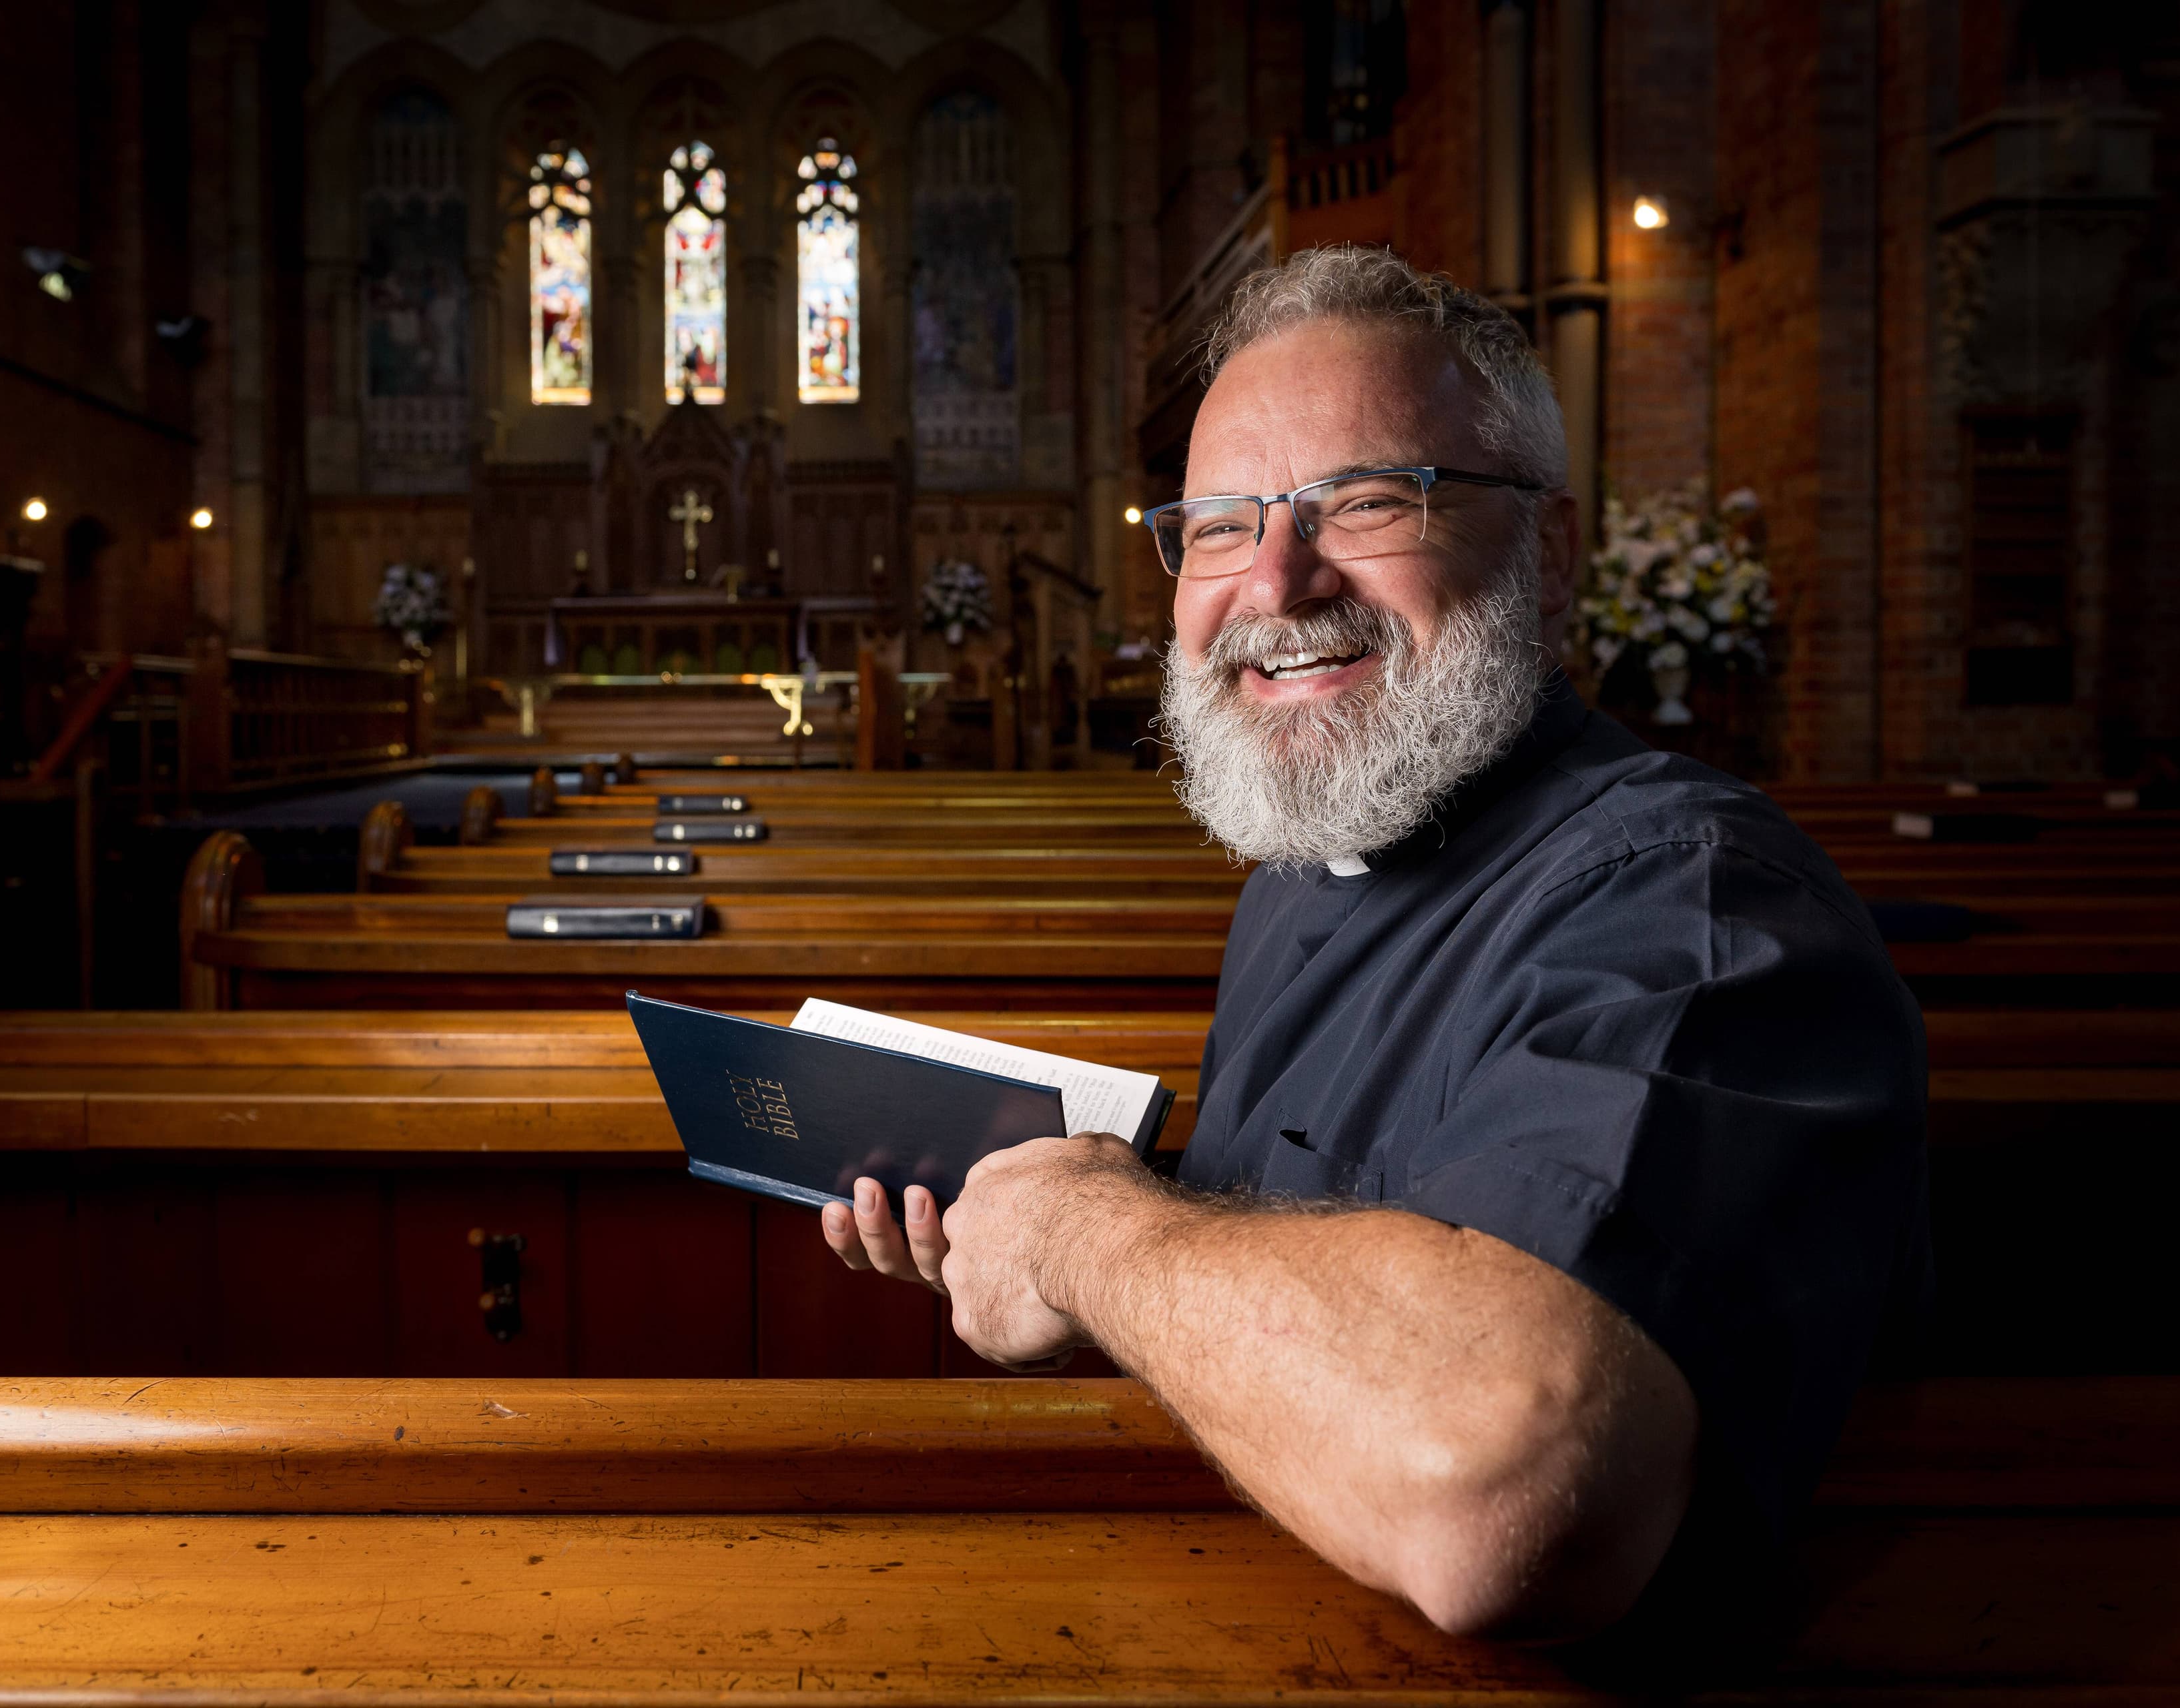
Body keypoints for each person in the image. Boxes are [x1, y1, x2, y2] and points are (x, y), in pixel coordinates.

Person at [820, 246, 1928, 1643]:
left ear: (1553, 543)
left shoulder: (1696, 901)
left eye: (1364, 501)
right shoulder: (1301, 871)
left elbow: (1499, 1490)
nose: (1276, 582)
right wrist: (1054, 1232)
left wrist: (1089, 1230)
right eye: (1217, 524)